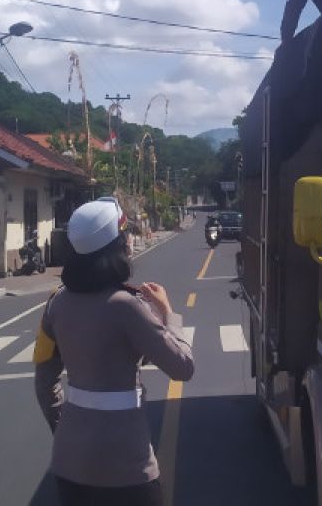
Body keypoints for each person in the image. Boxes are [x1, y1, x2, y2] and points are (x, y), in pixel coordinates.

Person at [34, 196, 194, 506]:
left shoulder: (57, 303)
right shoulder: (128, 306)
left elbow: (44, 382)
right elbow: (183, 366)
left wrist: (66, 427)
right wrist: (168, 312)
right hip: (127, 466)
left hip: (70, 462)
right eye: (126, 235)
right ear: (117, 246)